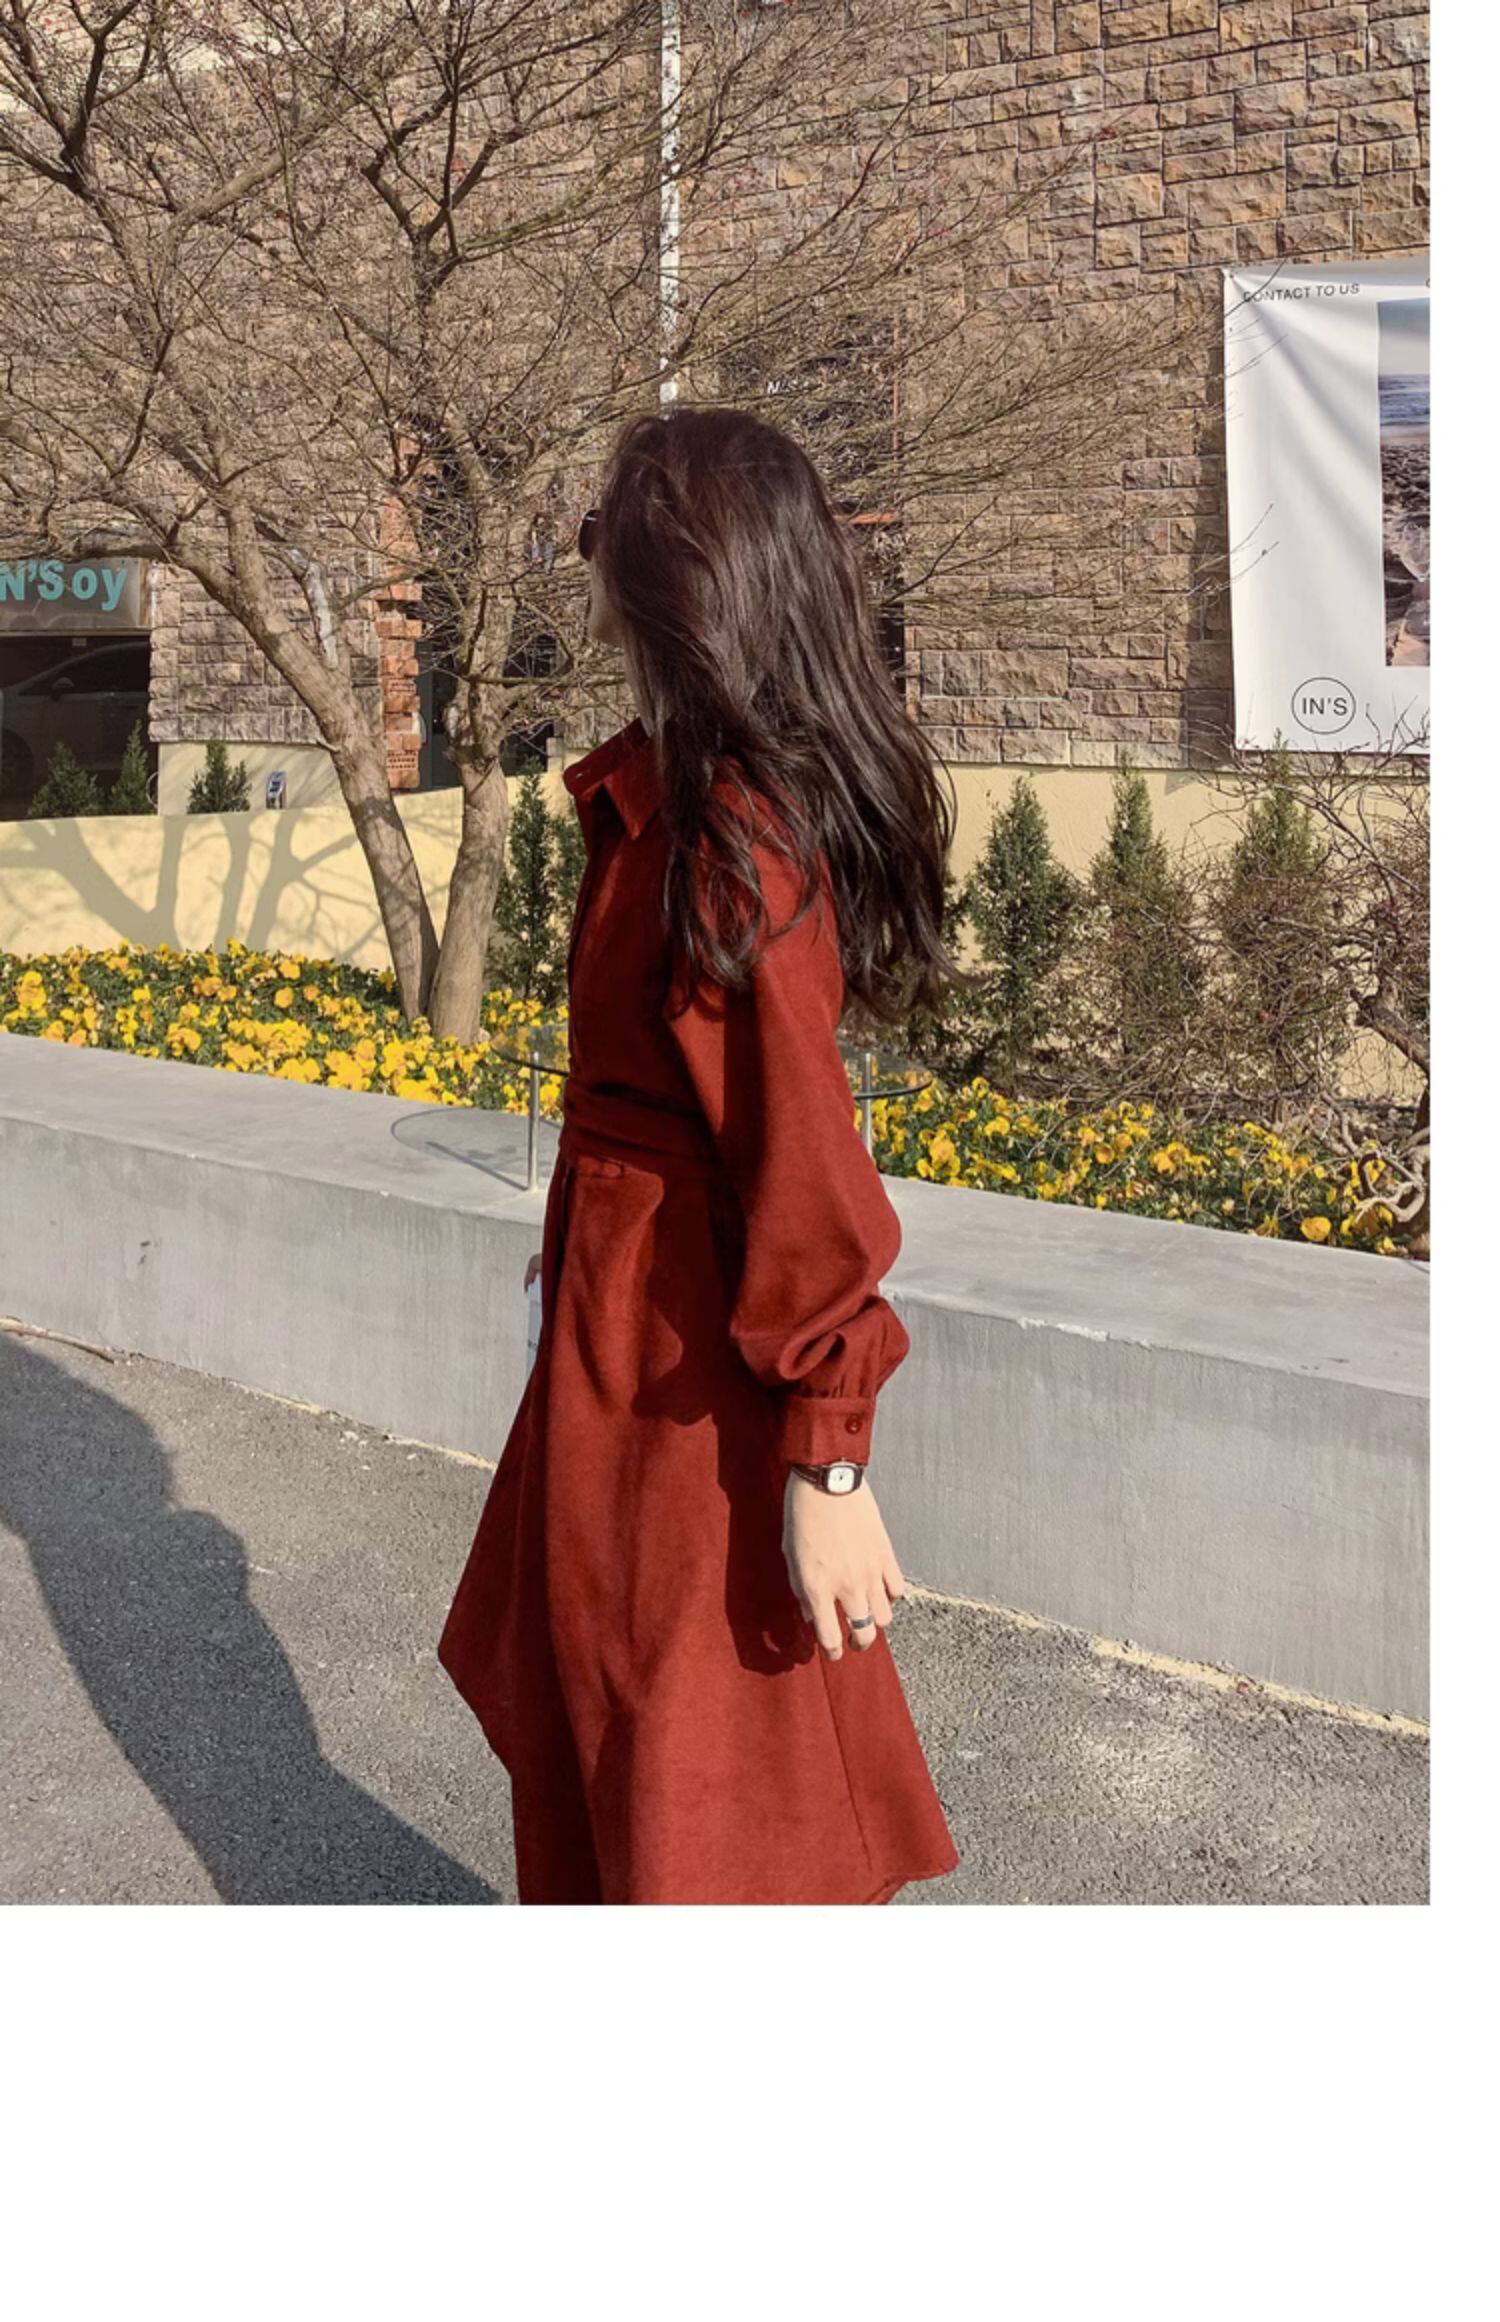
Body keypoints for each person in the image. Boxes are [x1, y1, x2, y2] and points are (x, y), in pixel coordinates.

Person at [439, 405, 967, 1905]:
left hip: (692, 1379)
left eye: (602, 539)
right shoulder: (668, 806)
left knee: (705, 1774)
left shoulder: (731, 845)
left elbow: (806, 1167)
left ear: (674, 587)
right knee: (608, 1721)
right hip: (619, 1337)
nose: (591, 571)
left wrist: (831, 1460)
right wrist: (575, 1246)